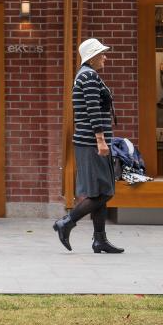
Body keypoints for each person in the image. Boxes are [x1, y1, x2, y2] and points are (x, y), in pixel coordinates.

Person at [53, 38, 124, 254]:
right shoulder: (89, 76)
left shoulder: (85, 75)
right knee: (105, 192)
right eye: (101, 53)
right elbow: (93, 110)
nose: (105, 57)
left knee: (98, 191)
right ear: (92, 57)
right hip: (92, 143)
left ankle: (100, 240)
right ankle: (66, 222)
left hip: (88, 141)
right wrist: (100, 140)